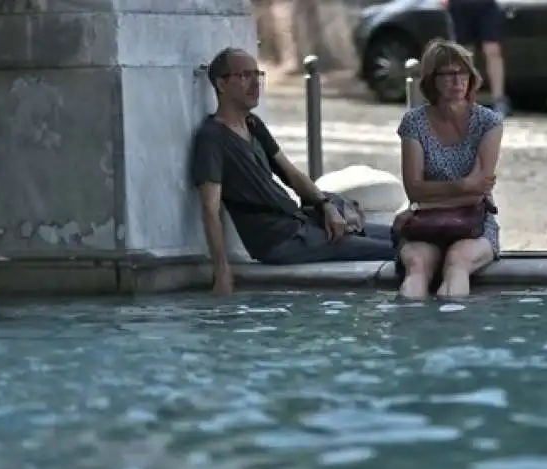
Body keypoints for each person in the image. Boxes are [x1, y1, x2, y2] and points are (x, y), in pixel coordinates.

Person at [190, 47, 395, 295]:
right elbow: (210, 210)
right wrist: (222, 271)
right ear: (222, 84)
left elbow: (291, 173)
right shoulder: (212, 138)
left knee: (401, 233)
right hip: (281, 241)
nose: (256, 84)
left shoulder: (252, 124)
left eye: (258, 74)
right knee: (397, 250)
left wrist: (326, 205)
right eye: (245, 75)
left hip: (301, 224)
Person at [394, 39, 503, 299]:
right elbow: (414, 190)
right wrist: (463, 185)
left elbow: (478, 192)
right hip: (426, 225)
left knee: (458, 262)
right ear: (432, 80)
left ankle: (451, 331)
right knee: (418, 267)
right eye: (448, 74)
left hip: (474, 223)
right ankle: (410, 333)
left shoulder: (488, 122)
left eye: (462, 72)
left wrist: (434, 196)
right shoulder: (414, 123)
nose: (458, 81)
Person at [447, 0, 509, 116]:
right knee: (464, 53)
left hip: (485, 4)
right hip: (460, 5)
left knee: (492, 49)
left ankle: (499, 100)